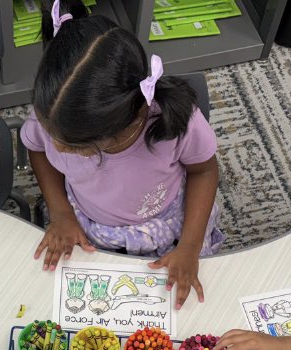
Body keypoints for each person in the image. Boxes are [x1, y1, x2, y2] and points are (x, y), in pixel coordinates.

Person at [21, 1, 223, 310]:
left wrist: (190, 247)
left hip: (167, 227)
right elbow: (37, 148)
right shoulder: (52, 117)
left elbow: (204, 171)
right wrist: (60, 212)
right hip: (87, 224)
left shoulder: (174, 126)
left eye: (74, 146)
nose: (57, 148)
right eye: (53, 136)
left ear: (124, 125)